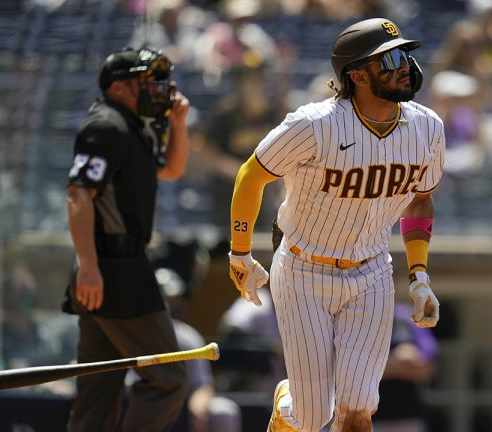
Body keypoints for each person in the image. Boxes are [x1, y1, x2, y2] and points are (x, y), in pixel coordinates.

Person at [226, 17, 445, 432]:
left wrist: (419, 276)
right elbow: (252, 174)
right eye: (392, 58)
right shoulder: (315, 124)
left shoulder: (427, 127)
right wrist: (240, 251)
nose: (405, 66)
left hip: (371, 272)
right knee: (312, 418)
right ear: (358, 75)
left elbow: (420, 198)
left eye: (406, 55)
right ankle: (288, 404)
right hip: (304, 269)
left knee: (358, 409)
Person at [63, 46, 191, 432]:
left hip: (112, 267)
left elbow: (171, 170)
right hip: (113, 269)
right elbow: (79, 193)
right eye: (146, 82)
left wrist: (180, 123)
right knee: (169, 379)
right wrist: (88, 266)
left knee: (99, 390)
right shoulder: (106, 125)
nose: (157, 89)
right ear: (119, 87)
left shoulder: (132, 127)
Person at [153, 268, 243, 432]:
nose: (174, 304)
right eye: (168, 299)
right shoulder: (136, 335)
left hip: (182, 404)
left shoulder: (187, 336)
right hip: (145, 402)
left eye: (176, 298)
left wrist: (199, 406)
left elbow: (203, 384)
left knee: (223, 411)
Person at [373, 303, 438, 432]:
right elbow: (350, 368)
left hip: (407, 416)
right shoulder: (356, 316)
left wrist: (384, 367)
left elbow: (428, 367)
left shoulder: (407, 317)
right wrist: (399, 362)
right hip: (365, 416)